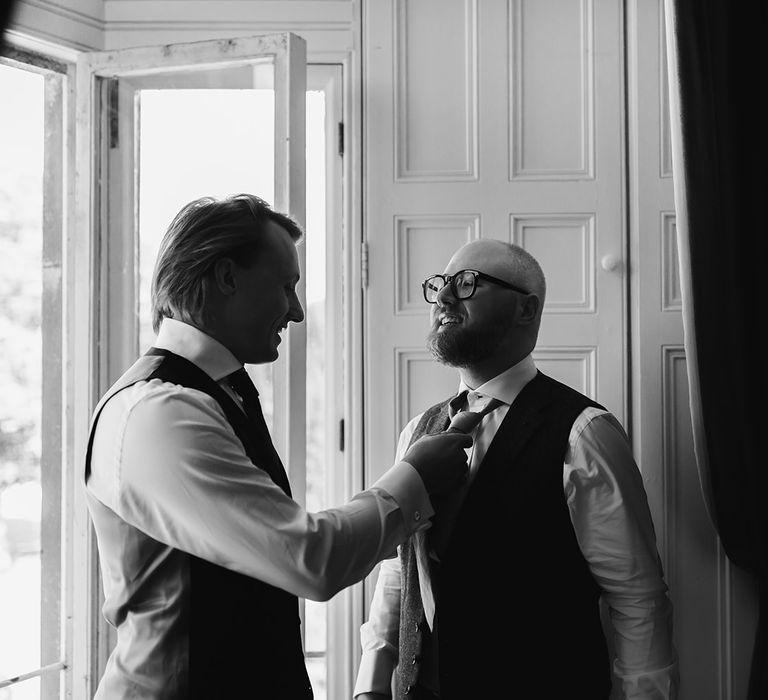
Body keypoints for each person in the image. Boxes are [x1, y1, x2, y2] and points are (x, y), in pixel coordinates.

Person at [83, 193, 473, 699]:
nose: (297, 311)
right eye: (287, 286)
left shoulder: (214, 393)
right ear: (227, 278)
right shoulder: (161, 413)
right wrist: (414, 476)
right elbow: (308, 558)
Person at [354, 240, 679, 700]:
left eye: (466, 284)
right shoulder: (418, 432)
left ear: (526, 309)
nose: (444, 297)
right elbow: (400, 573)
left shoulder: (583, 433)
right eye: (440, 285)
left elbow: (637, 600)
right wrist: (372, 685)